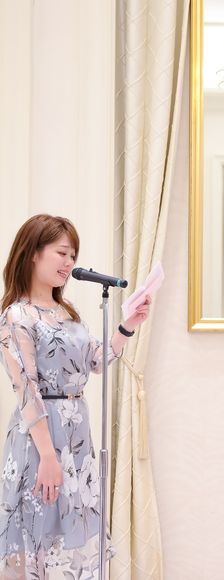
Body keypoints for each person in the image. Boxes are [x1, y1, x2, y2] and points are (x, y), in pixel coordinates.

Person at [0, 215, 151, 578]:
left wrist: (127, 325)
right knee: (40, 534)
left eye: (73, 255)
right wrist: (48, 456)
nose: (69, 262)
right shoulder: (17, 316)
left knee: (72, 538)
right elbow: (27, 391)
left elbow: (97, 361)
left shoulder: (67, 312)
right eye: (62, 253)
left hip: (76, 438)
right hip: (41, 441)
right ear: (33, 253)